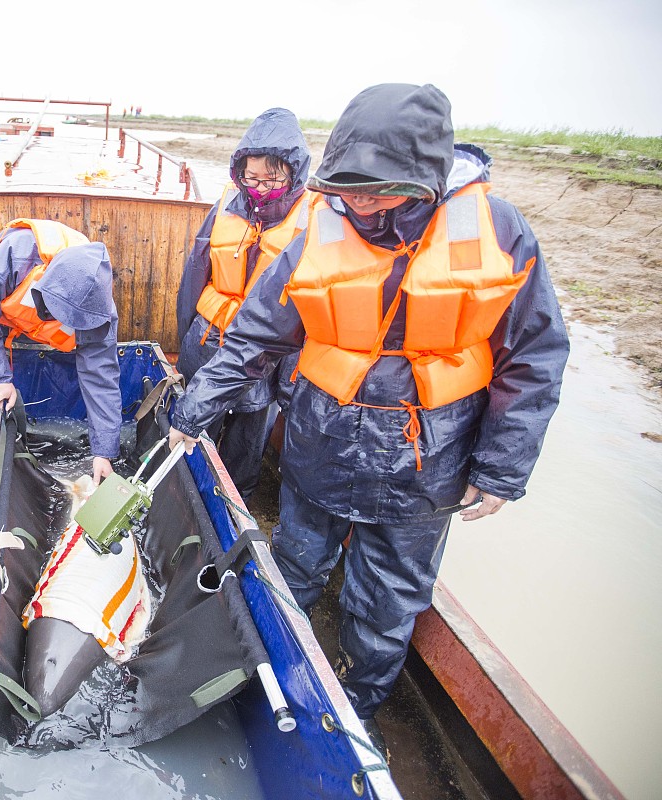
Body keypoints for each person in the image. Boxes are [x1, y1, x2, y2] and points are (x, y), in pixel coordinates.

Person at [167, 84, 568, 750]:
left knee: (386, 605)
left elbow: (534, 357)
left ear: (427, 178)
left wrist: (501, 468)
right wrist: (194, 410)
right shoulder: (318, 232)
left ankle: (356, 711)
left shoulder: (499, 231)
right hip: (321, 443)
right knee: (293, 566)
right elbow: (253, 339)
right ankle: (269, 677)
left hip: (427, 462)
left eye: (377, 191)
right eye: (346, 187)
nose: (358, 203)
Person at [175, 108, 310, 500]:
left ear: (293, 172)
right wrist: (186, 338)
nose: (259, 187)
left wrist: (287, 386)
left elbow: (303, 316)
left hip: (265, 358)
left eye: (271, 179)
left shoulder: (309, 221)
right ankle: (185, 498)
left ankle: (234, 509)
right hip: (207, 340)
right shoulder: (228, 205)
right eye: (251, 177)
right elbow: (195, 273)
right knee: (193, 430)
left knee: (246, 449)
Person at [0, 218, 120, 484]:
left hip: (36, 315)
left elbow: (100, 374)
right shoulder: (11, 256)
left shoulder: (99, 310)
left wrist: (104, 451)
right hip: (2, 293)